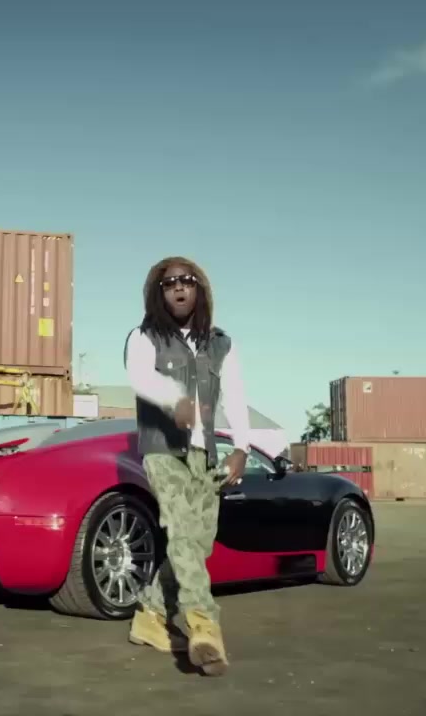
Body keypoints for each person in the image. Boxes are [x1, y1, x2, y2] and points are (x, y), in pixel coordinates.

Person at [123, 255, 251, 677]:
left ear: (199, 288)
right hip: (163, 450)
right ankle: (204, 627)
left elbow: (235, 394)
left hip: (205, 454)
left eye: (187, 280)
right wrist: (172, 399)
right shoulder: (144, 337)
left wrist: (242, 447)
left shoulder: (221, 344)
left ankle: (150, 616)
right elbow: (140, 377)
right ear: (158, 293)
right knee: (181, 532)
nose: (178, 287)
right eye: (169, 283)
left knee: (196, 544)